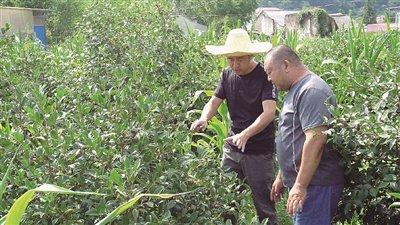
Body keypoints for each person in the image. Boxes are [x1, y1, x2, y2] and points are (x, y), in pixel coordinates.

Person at [190, 28, 278, 224]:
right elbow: (214, 101)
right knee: (227, 202)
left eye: (239, 60)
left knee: (264, 205)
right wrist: (204, 118)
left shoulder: (265, 76)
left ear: (250, 56)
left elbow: (269, 112)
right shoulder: (226, 75)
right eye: (230, 59)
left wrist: (246, 134)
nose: (234, 64)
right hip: (232, 148)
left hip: (259, 152)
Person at [264, 45, 345, 225]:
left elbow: (316, 140)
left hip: (315, 184)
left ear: (285, 65)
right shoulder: (297, 89)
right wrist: (282, 175)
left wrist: (300, 186)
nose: (268, 79)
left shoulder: (311, 90)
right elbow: (295, 138)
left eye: (270, 72)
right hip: (307, 183)